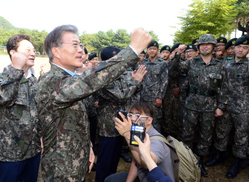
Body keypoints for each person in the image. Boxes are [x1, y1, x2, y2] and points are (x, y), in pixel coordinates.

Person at [35, 24, 152, 181]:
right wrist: (133, 49)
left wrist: (87, 146)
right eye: (75, 45)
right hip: (61, 170)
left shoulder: (68, 79)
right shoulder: (52, 82)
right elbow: (93, 79)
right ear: (56, 51)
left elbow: (72, 123)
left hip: (74, 163)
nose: (81, 51)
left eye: (81, 45)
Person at [0, 34, 41, 182]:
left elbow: (37, 113)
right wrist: (17, 69)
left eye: (33, 50)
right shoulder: (0, 79)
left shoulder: (33, 80)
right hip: (9, 154)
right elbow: (5, 98)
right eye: (27, 49)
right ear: (13, 53)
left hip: (33, 151)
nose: (33, 53)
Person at [204, 36, 249, 179]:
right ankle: (220, 156)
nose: (240, 49)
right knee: (222, 132)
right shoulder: (227, 64)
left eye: (245, 47)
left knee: (241, 137)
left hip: (244, 108)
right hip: (226, 106)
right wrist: (220, 105)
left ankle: (238, 162)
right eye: (238, 47)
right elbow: (222, 87)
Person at [95, 46, 147, 182]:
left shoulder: (120, 72)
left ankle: (110, 179)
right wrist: (135, 81)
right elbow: (121, 96)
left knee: (114, 158)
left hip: (122, 123)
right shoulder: (102, 76)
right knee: (105, 160)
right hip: (108, 125)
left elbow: (134, 90)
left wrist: (137, 80)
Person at [180, 34, 226, 177]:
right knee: (187, 134)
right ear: (198, 48)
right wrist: (178, 54)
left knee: (205, 136)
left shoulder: (220, 65)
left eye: (208, 44)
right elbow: (174, 70)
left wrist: (221, 106)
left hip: (210, 105)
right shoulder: (191, 62)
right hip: (192, 104)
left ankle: (200, 160)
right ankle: (185, 161)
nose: (205, 46)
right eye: (202, 45)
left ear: (213, 47)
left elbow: (224, 87)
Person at [105, 101, 175, 182]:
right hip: (143, 177)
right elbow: (136, 161)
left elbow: (146, 163)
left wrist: (127, 134)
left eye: (138, 116)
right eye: (130, 115)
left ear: (149, 120)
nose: (133, 119)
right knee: (110, 179)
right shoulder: (139, 134)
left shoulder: (156, 141)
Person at [139, 40, 168, 134]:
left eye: (154, 49)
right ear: (147, 50)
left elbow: (164, 81)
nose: (152, 51)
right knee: (143, 121)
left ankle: (156, 144)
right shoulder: (142, 64)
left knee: (155, 122)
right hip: (143, 98)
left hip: (155, 99)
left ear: (157, 50)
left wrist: (160, 97)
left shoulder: (162, 63)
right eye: (150, 49)